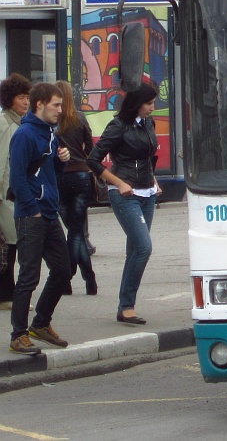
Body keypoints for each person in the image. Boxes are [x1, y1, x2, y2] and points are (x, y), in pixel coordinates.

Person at [87, 83, 161, 325]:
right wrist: (118, 183)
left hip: (147, 192)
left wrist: (154, 180)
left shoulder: (149, 123)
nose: (153, 108)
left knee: (135, 250)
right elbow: (93, 160)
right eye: (149, 104)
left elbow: (149, 158)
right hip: (125, 193)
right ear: (136, 104)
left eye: (154, 103)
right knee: (143, 247)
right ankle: (126, 306)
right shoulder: (118, 126)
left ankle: (125, 306)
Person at [8, 82, 72, 355]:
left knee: (63, 271)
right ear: (40, 105)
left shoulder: (50, 133)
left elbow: (50, 173)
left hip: (49, 212)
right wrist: (31, 207)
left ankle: (41, 323)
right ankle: (18, 334)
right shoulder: (24, 134)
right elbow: (18, 177)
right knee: (29, 276)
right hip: (32, 214)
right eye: (56, 105)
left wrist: (62, 160)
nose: (60, 110)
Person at [55, 81, 97, 296]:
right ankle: (87, 278)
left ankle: (67, 277)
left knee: (73, 230)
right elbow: (91, 148)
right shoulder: (80, 118)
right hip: (81, 175)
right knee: (77, 231)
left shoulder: (53, 122)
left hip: (59, 178)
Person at [0, 73, 32, 311]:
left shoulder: (19, 123)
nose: (26, 102)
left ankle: (8, 294)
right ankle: (6, 296)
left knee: (12, 246)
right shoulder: (5, 124)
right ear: (10, 99)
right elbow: (2, 163)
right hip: (5, 196)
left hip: (13, 194)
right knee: (9, 246)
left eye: (28, 97)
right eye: (22, 97)